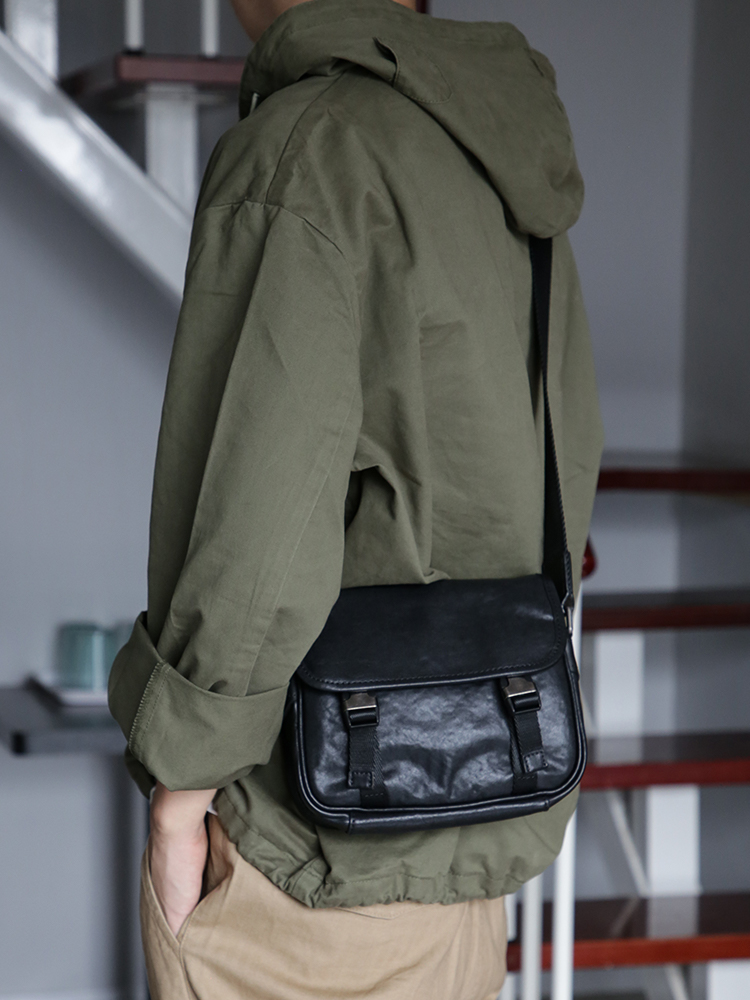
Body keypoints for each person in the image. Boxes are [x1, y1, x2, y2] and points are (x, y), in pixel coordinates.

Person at [108, 0, 603, 996]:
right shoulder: (500, 145)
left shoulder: (308, 149)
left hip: (305, 866)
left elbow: (262, 520)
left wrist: (178, 800)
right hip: (472, 848)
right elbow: (570, 446)